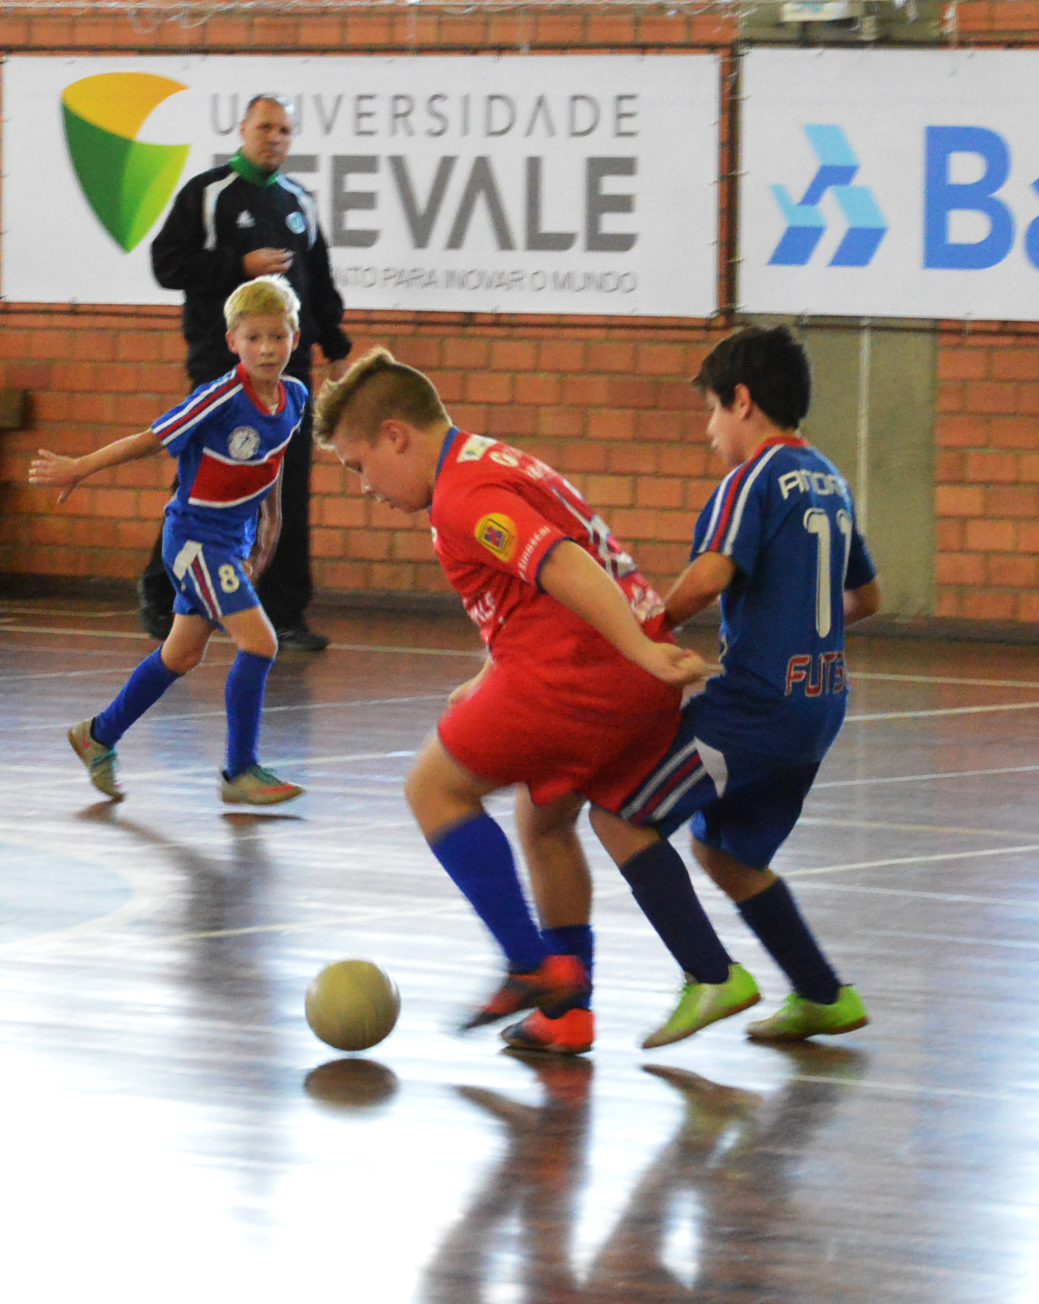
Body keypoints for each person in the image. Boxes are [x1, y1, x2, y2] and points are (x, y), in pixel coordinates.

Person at [311, 348, 719, 1054]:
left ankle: (532, 965)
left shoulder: (462, 495)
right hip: (615, 677)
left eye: (359, 466)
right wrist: (504, 665)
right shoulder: (488, 459)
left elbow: (561, 561)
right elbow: (525, 585)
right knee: (543, 821)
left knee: (432, 789)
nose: (365, 489)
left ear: (395, 436)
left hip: (580, 674)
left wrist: (640, 650)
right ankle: (567, 1016)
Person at [653, 325, 874, 1042]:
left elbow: (710, 576)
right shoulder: (831, 479)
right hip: (818, 707)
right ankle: (821, 994)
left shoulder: (751, 480)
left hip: (754, 705)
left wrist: (643, 626)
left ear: (743, 402)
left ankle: (709, 976)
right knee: (726, 853)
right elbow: (865, 599)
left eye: (713, 410)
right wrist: (800, 618)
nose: (710, 429)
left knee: (624, 816)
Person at [37, 277, 312, 810]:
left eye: (277, 337)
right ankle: (240, 770)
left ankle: (98, 734)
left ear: (294, 339)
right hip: (194, 541)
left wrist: (269, 529)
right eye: (253, 338)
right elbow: (149, 439)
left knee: (181, 654)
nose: (266, 349)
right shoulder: (219, 398)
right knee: (261, 643)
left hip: (232, 544)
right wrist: (81, 467)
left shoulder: (295, 397)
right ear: (233, 341)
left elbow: (269, 464)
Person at [144, 94, 352, 653]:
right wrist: (238, 266)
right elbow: (167, 263)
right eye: (265, 127)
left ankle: (286, 611)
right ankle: (163, 596)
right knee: (206, 480)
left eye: (285, 130)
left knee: (287, 483)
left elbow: (318, 276)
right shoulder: (208, 194)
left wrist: (333, 342)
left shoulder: (297, 199)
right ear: (242, 130)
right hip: (223, 363)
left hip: (289, 370)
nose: (275, 138)